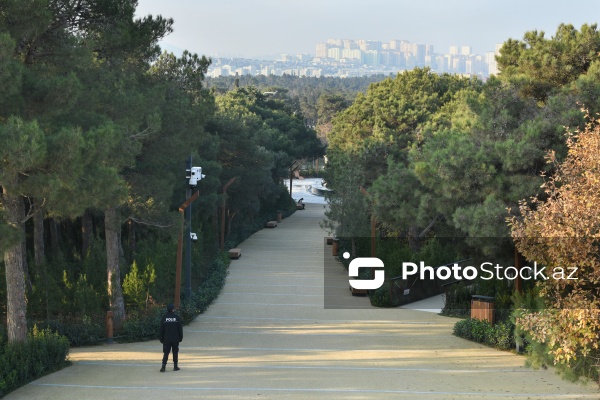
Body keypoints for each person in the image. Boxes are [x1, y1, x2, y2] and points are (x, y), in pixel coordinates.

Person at [159, 303, 183, 372]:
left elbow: (161, 329)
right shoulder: (177, 318)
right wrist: (180, 337)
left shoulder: (164, 318)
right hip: (175, 339)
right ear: (173, 309)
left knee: (166, 353)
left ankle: (163, 366)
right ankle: (175, 366)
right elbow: (180, 329)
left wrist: (161, 338)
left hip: (166, 339)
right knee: (175, 352)